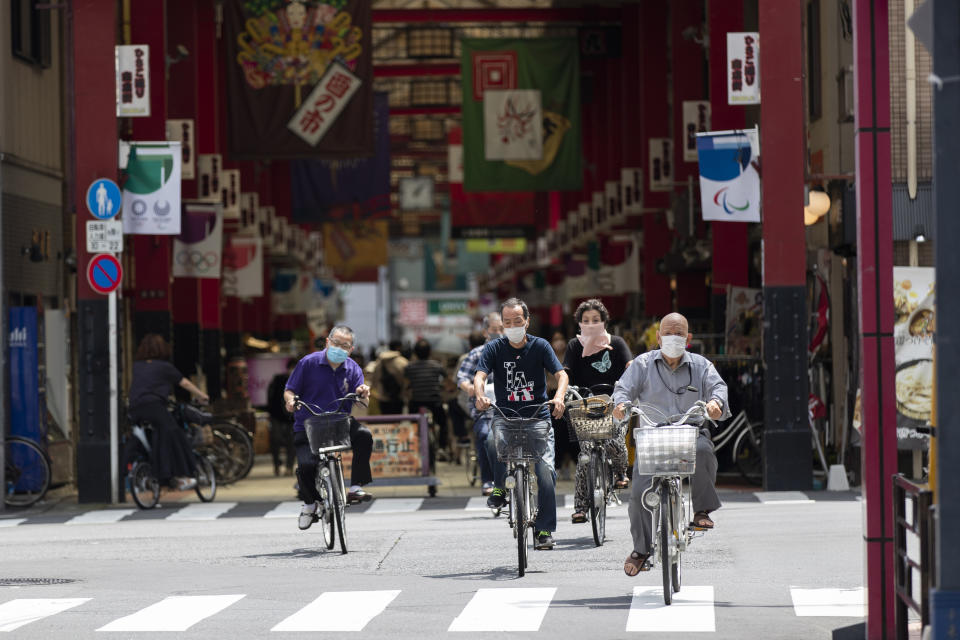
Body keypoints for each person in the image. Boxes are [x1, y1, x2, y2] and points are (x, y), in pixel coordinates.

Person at [612, 312, 730, 576]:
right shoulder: (641, 364)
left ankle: (701, 510)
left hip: (689, 434)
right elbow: (622, 389)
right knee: (639, 494)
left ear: (688, 338)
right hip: (652, 438)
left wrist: (716, 403)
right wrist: (620, 405)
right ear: (658, 336)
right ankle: (641, 550)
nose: (672, 338)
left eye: (678, 334)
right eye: (668, 333)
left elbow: (718, 388)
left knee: (704, 450)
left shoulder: (702, 365)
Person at [474, 298, 568, 550]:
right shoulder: (494, 348)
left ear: (527, 321)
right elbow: (480, 375)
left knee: (545, 472)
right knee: (491, 443)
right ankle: (498, 489)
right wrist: (480, 394)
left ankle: (544, 528)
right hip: (505, 416)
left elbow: (561, 374)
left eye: (518, 321)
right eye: (507, 322)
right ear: (502, 324)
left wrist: (558, 397)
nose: (513, 325)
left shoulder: (540, 346)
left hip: (537, 416)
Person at [283, 325, 375, 531]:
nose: (339, 348)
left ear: (351, 349)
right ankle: (309, 504)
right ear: (327, 342)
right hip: (307, 424)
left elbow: (363, 401)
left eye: (345, 345)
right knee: (306, 467)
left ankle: (356, 487)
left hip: (339, 422)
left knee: (364, 436)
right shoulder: (308, 363)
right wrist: (291, 402)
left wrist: (363, 393)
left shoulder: (353, 369)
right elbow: (289, 390)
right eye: (336, 343)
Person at [563, 298, 634, 524]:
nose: (591, 324)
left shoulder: (618, 343)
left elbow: (631, 368)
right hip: (585, 407)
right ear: (579, 323)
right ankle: (581, 508)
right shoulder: (574, 346)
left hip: (615, 404)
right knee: (585, 454)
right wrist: (562, 393)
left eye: (595, 320)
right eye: (586, 320)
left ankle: (620, 471)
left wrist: (629, 392)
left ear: (604, 321)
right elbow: (565, 372)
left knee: (614, 439)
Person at [127, 333, 210, 491]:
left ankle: (151, 469)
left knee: (156, 436)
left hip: (135, 408)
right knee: (175, 435)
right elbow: (184, 383)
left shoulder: (137, 366)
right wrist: (202, 395)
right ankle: (180, 476)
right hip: (154, 407)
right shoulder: (164, 367)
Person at [456, 312, 505, 495]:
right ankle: (488, 480)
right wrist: (470, 388)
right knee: (485, 435)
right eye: (495, 330)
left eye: (503, 329)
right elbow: (461, 377)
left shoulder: (516, 351)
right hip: (484, 410)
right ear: (486, 332)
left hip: (510, 408)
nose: (499, 332)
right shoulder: (477, 353)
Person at [404, 338, 449, 459]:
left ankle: (414, 445)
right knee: (443, 424)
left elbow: (406, 386)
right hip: (435, 401)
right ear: (430, 352)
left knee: (413, 424)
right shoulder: (437, 366)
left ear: (415, 353)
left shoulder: (409, 367)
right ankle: (442, 448)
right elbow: (447, 383)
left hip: (416, 402)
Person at [266, 357, 297, 477]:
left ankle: (289, 466)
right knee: (275, 440)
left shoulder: (300, 382)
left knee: (291, 442)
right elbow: (270, 396)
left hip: (292, 416)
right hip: (277, 415)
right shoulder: (278, 379)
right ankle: (276, 466)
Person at [369, 340, 408, 415]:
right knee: (397, 422)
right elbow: (406, 381)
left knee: (386, 422)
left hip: (383, 398)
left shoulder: (379, 361)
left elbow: (374, 380)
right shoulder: (403, 362)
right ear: (398, 347)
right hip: (398, 398)